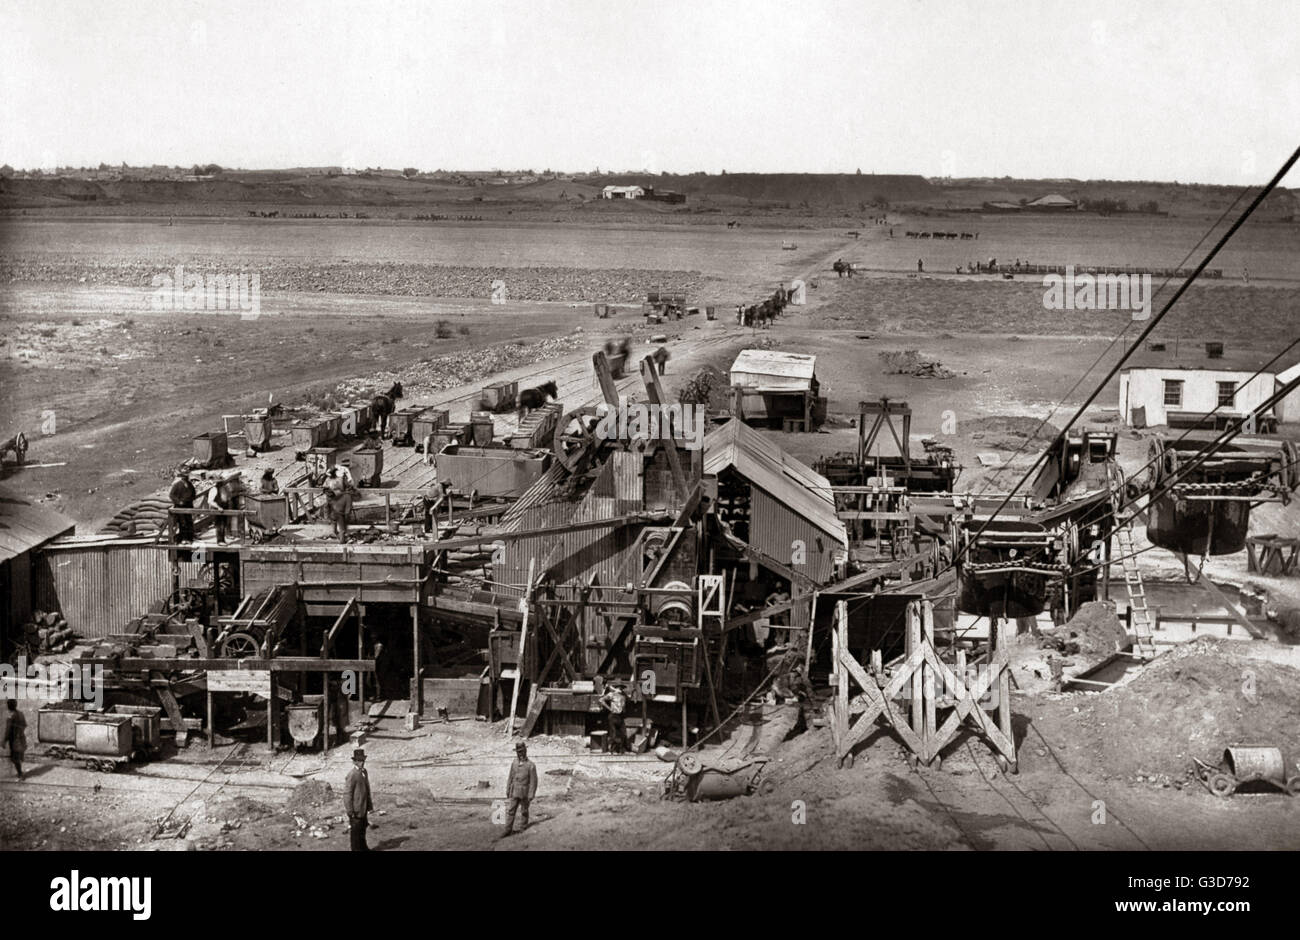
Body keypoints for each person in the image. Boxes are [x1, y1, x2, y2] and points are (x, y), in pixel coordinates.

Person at [501, 741, 538, 837]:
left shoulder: (531, 765)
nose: (520, 753)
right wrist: (508, 789)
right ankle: (508, 830)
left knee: (524, 811)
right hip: (514, 791)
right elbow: (510, 777)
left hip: (524, 792)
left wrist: (531, 794)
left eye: (522, 751)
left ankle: (523, 827)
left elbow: (534, 782)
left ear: (525, 751)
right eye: (518, 751)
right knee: (511, 810)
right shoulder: (514, 763)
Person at [344, 748, 374, 851]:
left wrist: (369, 806)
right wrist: (350, 811)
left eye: (363, 760)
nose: (362, 763)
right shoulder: (352, 775)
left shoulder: (364, 772)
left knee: (362, 830)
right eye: (359, 761)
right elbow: (347, 794)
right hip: (355, 810)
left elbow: (367, 790)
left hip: (363, 807)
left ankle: (364, 848)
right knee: (355, 834)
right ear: (355, 761)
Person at [324, 467, 355, 543]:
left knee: (334, 518)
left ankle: (334, 531)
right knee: (341, 523)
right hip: (337, 501)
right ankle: (341, 539)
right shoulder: (339, 480)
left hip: (333, 500)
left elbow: (325, 489)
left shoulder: (328, 480)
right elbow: (346, 487)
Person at [599, 681, 628, 754]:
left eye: (622, 688)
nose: (620, 689)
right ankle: (612, 750)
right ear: (616, 688)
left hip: (621, 716)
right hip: (613, 716)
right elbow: (601, 700)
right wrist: (609, 708)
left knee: (623, 733)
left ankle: (620, 750)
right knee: (613, 734)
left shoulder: (623, 695)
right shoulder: (612, 694)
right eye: (619, 687)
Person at [169, 468, 196, 543]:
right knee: (182, 523)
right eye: (184, 476)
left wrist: (191, 499)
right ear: (182, 477)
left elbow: (194, 493)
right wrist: (179, 501)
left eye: (187, 476)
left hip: (188, 506)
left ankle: (190, 538)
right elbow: (171, 495)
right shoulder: (177, 485)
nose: (186, 477)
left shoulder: (190, 484)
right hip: (180, 507)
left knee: (189, 522)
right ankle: (184, 539)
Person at [4, 700, 27, 780]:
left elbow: (8, 731)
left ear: (9, 706)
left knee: (14, 758)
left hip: (14, 740)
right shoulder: (21, 714)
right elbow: (24, 725)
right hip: (21, 738)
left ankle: (20, 774)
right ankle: (20, 773)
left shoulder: (10, 716)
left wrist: (4, 741)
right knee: (17, 756)